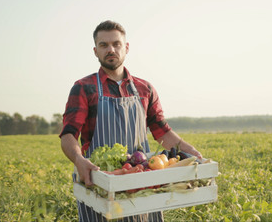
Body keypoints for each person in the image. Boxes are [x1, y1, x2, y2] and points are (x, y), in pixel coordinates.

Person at [60, 20, 202, 222]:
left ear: (126, 48)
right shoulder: (84, 88)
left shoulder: (145, 89)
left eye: (116, 44)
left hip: (141, 180)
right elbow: (68, 135)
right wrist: (79, 161)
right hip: (99, 181)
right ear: (95, 51)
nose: (111, 49)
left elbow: (162, 132)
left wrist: (191, 151)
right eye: (104, 45)